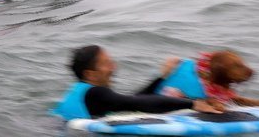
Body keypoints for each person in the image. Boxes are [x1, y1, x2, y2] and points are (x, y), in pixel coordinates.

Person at [52, 45, 224, 120]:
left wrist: (162, 77)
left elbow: (132, 101)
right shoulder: (96, 93)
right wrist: (192, 104)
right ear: (90, 74)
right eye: (106, 64)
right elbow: (137, 103)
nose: (113, 67)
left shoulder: (81, 91)